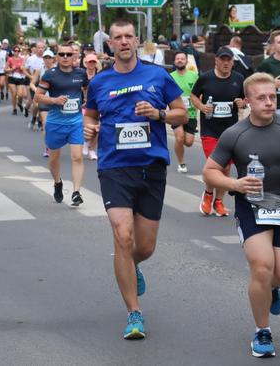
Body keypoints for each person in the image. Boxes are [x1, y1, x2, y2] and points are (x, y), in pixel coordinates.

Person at [203, 72, 280, 358]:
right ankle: (263, 331)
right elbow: (209, 172)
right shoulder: (235, 134)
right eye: (262, 98)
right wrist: (234, 184)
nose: (269, 103)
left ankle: (271, 288)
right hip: (250, 204)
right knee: (261, 266)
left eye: (272, 97)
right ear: (247, 101)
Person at [83, 18, 187, 340]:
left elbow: (182, 113)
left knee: (144, 246)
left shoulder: (158, 76)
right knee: (123, 235)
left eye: (129, 36)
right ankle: (134, 312)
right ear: (110, 44)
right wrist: (89, 130)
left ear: (136, 41)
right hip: (114, 167)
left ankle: (131, 265)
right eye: (118, 37)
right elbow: (90, 114)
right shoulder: (100, 82)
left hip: (151, 167)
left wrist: (158, 115)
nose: (125, 41)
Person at [191, 46, 246, 216]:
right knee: (215, 166)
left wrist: (242, 104)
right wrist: (202, 107)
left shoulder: (239, 78)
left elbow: (245, 99)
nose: (226, 63)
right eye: (222, 59)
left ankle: (219, 202)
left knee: (226, 170)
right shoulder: (206, 78)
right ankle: (208, 195)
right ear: (216, 60)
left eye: (229, 60)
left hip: (230, 131)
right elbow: (193, 96)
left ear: (232, 62)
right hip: (210, 131)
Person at [34, 43, 89, 207]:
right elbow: (37, 96)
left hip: (75, 121)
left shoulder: (81, 73)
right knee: (53, 159)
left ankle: (76, 192)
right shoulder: (50, 75)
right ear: (57, 57)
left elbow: (86, 90)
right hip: (55, 122)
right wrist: (54, 100)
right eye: (62, 54)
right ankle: (58, 182)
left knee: (77, 157)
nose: (65, 57)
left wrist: (86, 100)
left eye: (68, 54)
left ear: (74, 57)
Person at [170, 51, 199, 172]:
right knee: (180, 137)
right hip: (176, 112)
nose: (180, 60)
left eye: (182, 58)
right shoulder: (170, 77)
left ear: (187, 61)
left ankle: (182, 154)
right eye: (178, 59)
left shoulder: (194, 76)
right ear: (174, 61)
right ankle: (181, 163)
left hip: (190, 113)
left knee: (188, 142)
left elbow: (199, 93)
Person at [32, 49, 56, 156]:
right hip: (43, 99)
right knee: (47, 125)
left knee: (56, 125)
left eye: (49, 58)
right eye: (45, 58)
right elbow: (32, 83)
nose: (47, 60)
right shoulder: (39, 70)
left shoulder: (58, 70)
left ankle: (54, 145)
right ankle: (48, 148)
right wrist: (38, 91)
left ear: (53, 59)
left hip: (56, 101)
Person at [82, 53, 101, 160]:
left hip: (96, 104)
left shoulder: (99, 76)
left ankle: (92, 150)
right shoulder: (81, 75)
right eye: (90, 62)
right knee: (87, 127)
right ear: (86, 63)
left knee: (96, 128)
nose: (92, 64)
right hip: (83, 104)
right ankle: (85, 142)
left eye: (94, 62)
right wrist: (84, 99)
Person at [6, 46, 26, 115]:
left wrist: (22, 68)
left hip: (20, 78)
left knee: (20, 95)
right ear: (13, 51)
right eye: (15, 51)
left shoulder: (22, 59)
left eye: (18, 51)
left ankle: (19, 103)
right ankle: (14, 109)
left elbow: (24, 69)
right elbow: (5, 69)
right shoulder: (10, 59)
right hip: (12, 77)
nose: (16, 52)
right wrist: (12, 69)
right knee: (14, 94)